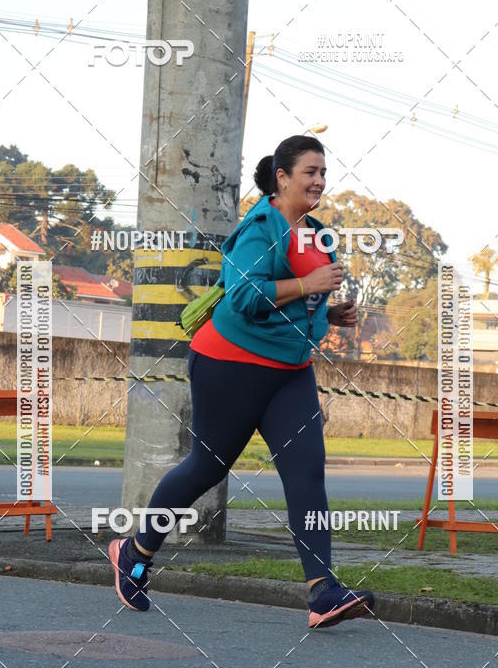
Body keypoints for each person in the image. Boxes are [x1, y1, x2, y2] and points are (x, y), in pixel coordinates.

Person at [108, 134, 375, 628]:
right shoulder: (259, 228)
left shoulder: (315, 234)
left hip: (290, 374)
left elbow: (297, 302)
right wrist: (309, 286)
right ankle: (136, 552)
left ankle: (322, 593)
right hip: (231, 365)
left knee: (307, 473)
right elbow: (246, 297)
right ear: (282, 177)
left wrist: (329, 313)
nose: (318, 181)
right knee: (206, 468)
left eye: (323, 173)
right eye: (309, 172)